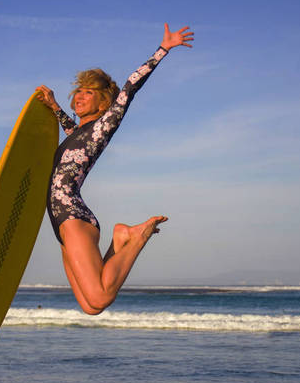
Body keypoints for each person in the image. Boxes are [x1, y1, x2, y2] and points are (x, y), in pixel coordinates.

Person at [36, 23, 193, 315]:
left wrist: (163, 50)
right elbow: (70, 131)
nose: (79, 97)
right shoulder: (78, 134)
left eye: (89, 93)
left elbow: (131, 87)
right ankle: (119, 238)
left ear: (104, 101)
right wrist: (55, 106)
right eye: (78, 91)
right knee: (91, 307)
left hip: (72, 216)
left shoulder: (105, 124)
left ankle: (135, 238)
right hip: (61, 222)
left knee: (102, 296)